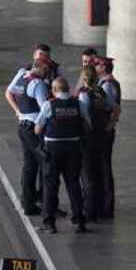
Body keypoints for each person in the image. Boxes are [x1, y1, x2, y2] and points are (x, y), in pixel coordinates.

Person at [35, 76, 91, 233]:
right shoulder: (78, 104)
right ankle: (79, 221)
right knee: (73, 184)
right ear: (67, 89)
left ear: (54, 90)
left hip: (52, 148)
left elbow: (37, 129)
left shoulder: (49, 105)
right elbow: (88, 125)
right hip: (73, 147)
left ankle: (49, 223)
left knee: (50, 186)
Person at [5, 61, 51, 215]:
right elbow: (45, 109)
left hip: (23, 126)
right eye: (47, 70)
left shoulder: (21, 76)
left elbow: (9, 91)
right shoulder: (38, 84)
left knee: (29, 165)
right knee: (46, 163)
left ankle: (28, 203)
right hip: (34, 129)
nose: (48, 74)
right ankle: (47, 203)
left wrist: (18, 111)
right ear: (42, 68)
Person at [76, 65, 115, 222]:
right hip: (102, 136)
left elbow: (85, 117)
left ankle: (89, 210)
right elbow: (114, 108)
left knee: (88, 174)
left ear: (84, 78)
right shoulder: (101, 92)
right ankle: (100, 208)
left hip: (88, 139)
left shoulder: (84, 95)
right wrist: (109, 125)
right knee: (101, 171)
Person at [94, 57, 122, 219]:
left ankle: (106, 206)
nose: (94, 67)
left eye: (96, 64)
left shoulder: (108, 85)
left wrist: (109, 126)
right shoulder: (104, 83)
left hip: (104, 131)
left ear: (104, 67)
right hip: (104, 130)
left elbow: (115, 109)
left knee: (104, 167)